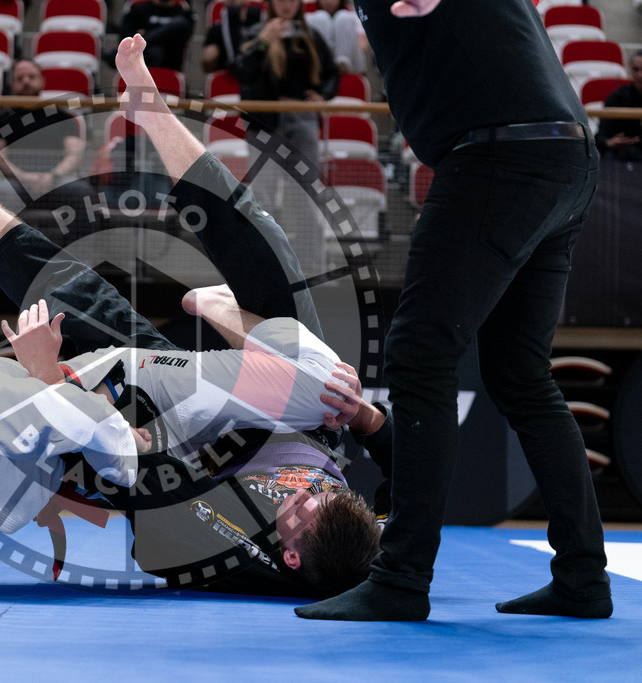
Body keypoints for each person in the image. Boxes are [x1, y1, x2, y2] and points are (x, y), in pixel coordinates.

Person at [0, 36, 392, 594]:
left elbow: (133, 474)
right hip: (290, 417)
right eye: (324, 493)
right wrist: (365, 420)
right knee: (273, 265)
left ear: (285, 555)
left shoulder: (231, 550)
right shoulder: (356, 540)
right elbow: (401, 464)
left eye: (302, 507)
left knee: (64, 295)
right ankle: (154, 115)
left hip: (149, 430)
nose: (309, 494)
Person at [294, 0, 612, 622]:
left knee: (419, 356)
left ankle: (402, 579)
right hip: (563, 157)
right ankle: (582, 576)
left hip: (501, 157)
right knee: (521, 374)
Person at [0, 58, 95, 244]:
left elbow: (73, 155)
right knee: (1, 190)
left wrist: (52, 176)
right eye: (20, 78)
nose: (26, 81)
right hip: (17, 184)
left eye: (31, 76)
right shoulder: (1, 119)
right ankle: (14, 264)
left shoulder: (62, 116)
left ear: (42, 81)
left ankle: (79, 262)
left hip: (56, 182)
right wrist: (25, 177)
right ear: (12, 84)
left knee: (82, 191)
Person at [234, 0, 339, 166]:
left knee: (304, 188)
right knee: (263, 189)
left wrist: (323, 96)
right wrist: (264, 41)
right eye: (280, 0)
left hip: (303, 118)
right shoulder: (255, 33)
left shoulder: (311, 36)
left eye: (292, 0)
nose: (286, 5)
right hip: (264, 120)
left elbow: (332, 73)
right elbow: (244, 73)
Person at [114, 0, 195, 71]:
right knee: (155, 52)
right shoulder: (138, 10)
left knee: (179, 23)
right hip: (144, 60)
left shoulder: (184, 13)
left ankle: (145, 40)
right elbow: (125, 37)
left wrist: (146, 34)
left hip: (171, 61)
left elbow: (185, 37)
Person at [595, 50, 642, 161]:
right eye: (636, 69)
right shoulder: (617, 97)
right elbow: (600, 137)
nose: (640, 75)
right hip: (619, 156)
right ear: (630, 70)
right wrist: (610, 142)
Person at [201, 0, 264, 74]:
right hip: (230, 73)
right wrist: (209, 60)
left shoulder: (262, 25)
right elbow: (207, 68)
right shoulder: (216, 30)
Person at [305, 0, 367, 75]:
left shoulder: (351, 15)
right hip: (319, 63)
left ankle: (342, 64)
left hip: (351, 66)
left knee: (343, 17)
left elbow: (363, 45)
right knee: (320, 18)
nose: (329, 2)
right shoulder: (309, 14)